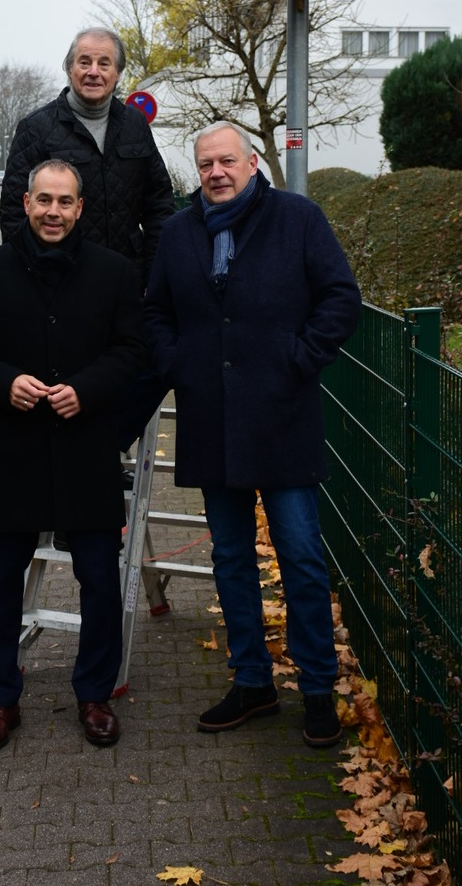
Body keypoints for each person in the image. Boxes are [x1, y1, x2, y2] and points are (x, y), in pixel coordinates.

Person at [143, 121, 361, 748]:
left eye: (226, 161)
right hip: (213, 423)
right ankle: (253, 682)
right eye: (205, 163)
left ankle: (317, 689)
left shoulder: (297, 218)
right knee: (232, 559)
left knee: (300, 558)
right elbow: (156, 310)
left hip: (283, 415)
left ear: (252, 162)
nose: (215, 172)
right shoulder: (179, 233)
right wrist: (177, 362)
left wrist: (300, 357)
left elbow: (340, 298)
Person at [0, 159, 148, 752]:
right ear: (26, 204)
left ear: (79, 208)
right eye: (43, 200)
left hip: (86, 445)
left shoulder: (114, 273)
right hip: (15, 447)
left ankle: (95, 695)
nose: (53, 212)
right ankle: (0, 700)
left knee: (98, 579)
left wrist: (87, 389)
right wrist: (3, 382)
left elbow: (134, 349)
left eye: (65, 202)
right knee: (2, 580)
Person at [0, 27, 174, 292]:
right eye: (84, 62)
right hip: (61, 284)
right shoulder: (36, 129)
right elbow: (14, 215)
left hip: (128, 283)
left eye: (104, 64)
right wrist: (32, 283)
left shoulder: (135, 125)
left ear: (117, 74)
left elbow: (159, 204)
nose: (94, 71)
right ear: (70, 69)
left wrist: (155, 274)